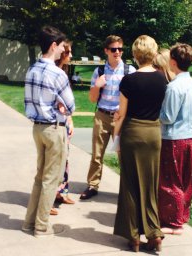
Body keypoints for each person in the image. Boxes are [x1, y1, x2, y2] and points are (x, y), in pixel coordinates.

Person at [113, 35, 166, 252]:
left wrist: (116, 138)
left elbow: (121, 114)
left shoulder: (129, 80)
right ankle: (154, 234)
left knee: (130, 184)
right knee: (151, 185)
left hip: (132, 132)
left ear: (135, 54)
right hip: (153, 133)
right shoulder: (162, 79)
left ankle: (133, 236)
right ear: (154, 53)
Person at [22, 26, 75, 237]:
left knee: (40, 177)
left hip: (37, 129)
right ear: (54, 46)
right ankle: (42, 226)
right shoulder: (57, 74)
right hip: (54, 129)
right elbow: (70, 106)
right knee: (51, 179)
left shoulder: (31, 69)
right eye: (62, 46)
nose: (64, 50)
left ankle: (29, 223)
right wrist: (60, 107)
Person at [80, 35, 136, 200]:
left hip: (121, 117)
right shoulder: (99, 71)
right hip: (102, 115)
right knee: (97, 154)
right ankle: (92, 185)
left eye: (120, 49)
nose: (117, 52)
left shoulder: (129, 71)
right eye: (113, 49)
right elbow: (92, 98)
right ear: (106, 51)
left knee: (123, 154)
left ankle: (126, 188)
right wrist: (97, 86)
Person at [158, 43, 192, 235]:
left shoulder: (174, 87)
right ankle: (182, 214)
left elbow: (167, 117)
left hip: (174, 138)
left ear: (173, 62)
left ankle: (173, 221)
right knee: (186, 179)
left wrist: (154, 110)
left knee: (170, 180)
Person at [54, 42, 75, 207]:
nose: (71, 56)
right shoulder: (55, 73)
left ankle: (63, 192)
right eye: (69, 53)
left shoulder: (64, 71)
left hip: (65, 120)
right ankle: (52, 196)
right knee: (57, 159)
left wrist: (70, 119)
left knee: (65, 158)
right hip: (56, 121)